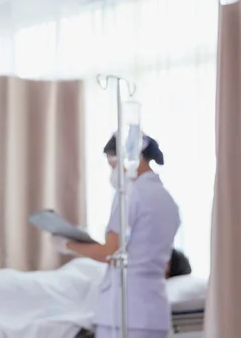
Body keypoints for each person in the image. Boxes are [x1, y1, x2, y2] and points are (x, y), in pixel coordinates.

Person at [52, 133, 180, 338]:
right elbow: (163, 265)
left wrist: (67, 244)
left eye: (112, 166)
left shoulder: (129, 194)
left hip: (125, 314)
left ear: (128, 158)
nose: (112, 172)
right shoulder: (168, 201)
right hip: (155, 313)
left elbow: (111, 252)